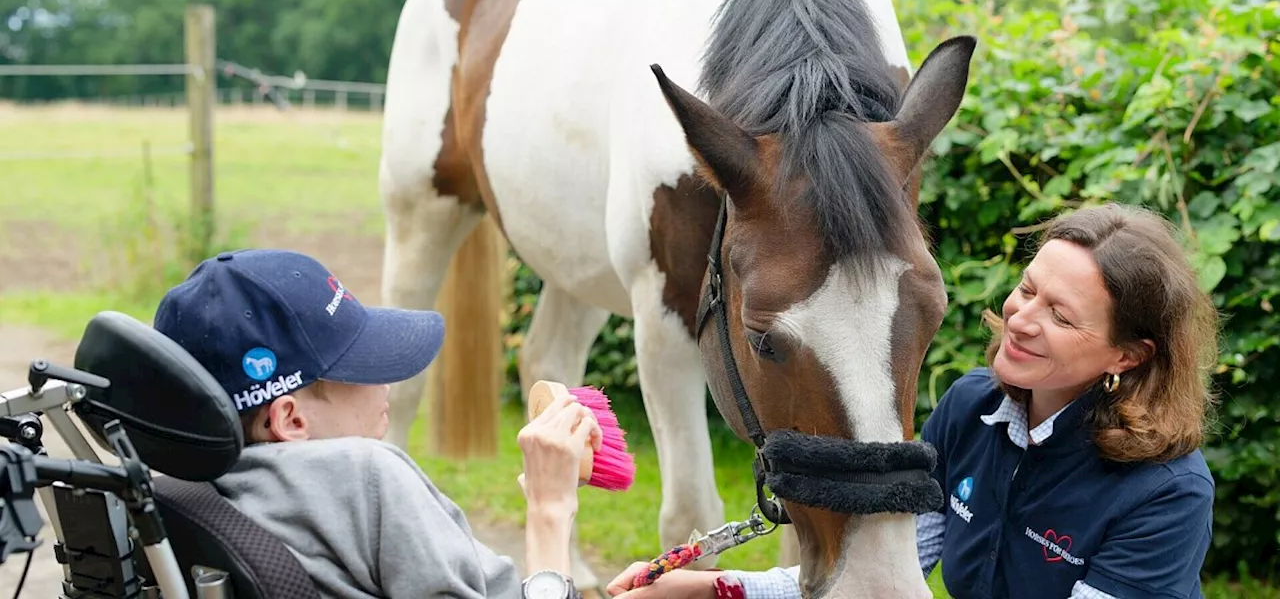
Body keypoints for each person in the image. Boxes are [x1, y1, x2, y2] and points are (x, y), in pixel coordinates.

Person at [606, 202, 1219, 599]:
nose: (1020, 319)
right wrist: (711, 589)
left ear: (1127, 356)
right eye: (1027, 289)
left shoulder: (1167, 493)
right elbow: (883, 571)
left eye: (1059, 315)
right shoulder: (971, 409)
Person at [153, 248, 599, 599]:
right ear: (290, 418)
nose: (386, 381)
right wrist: (549, 509)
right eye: (359, 367)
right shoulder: (368, 478)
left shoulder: (181, 492)